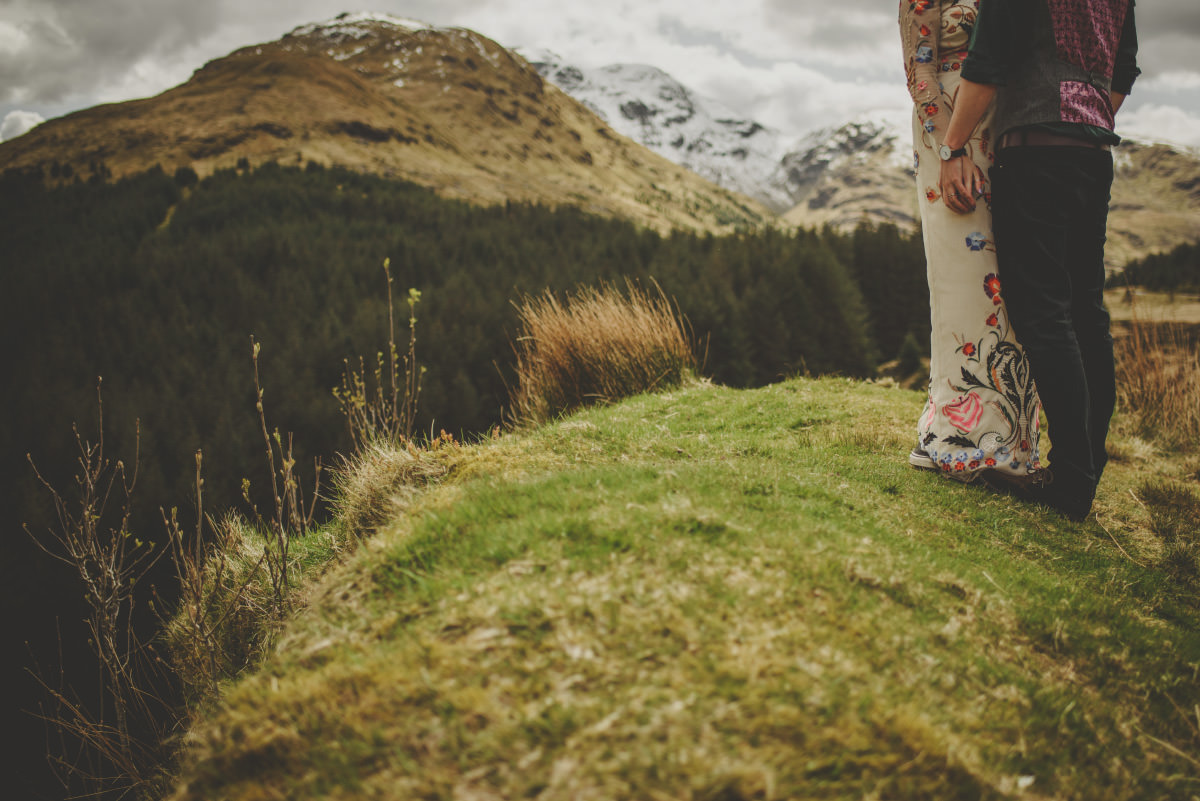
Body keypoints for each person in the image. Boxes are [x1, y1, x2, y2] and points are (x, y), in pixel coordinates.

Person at [939, 0, 1140, 520]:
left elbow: (985, 66)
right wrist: (1083, 112)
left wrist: (952, 148)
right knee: (1086, 315)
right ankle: (1084, 473)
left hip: (1034, 152)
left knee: (1044, 313)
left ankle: (1070, 484)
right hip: (1092, 154)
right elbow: (1123, 72)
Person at [899, 0, 1042, 483]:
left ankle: (1017, 441)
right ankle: (959, 436)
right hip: (950, 139)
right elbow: (919, 69)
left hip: (1011, 129)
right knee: (962, 283)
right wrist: (948, 146)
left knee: (1013, 283)